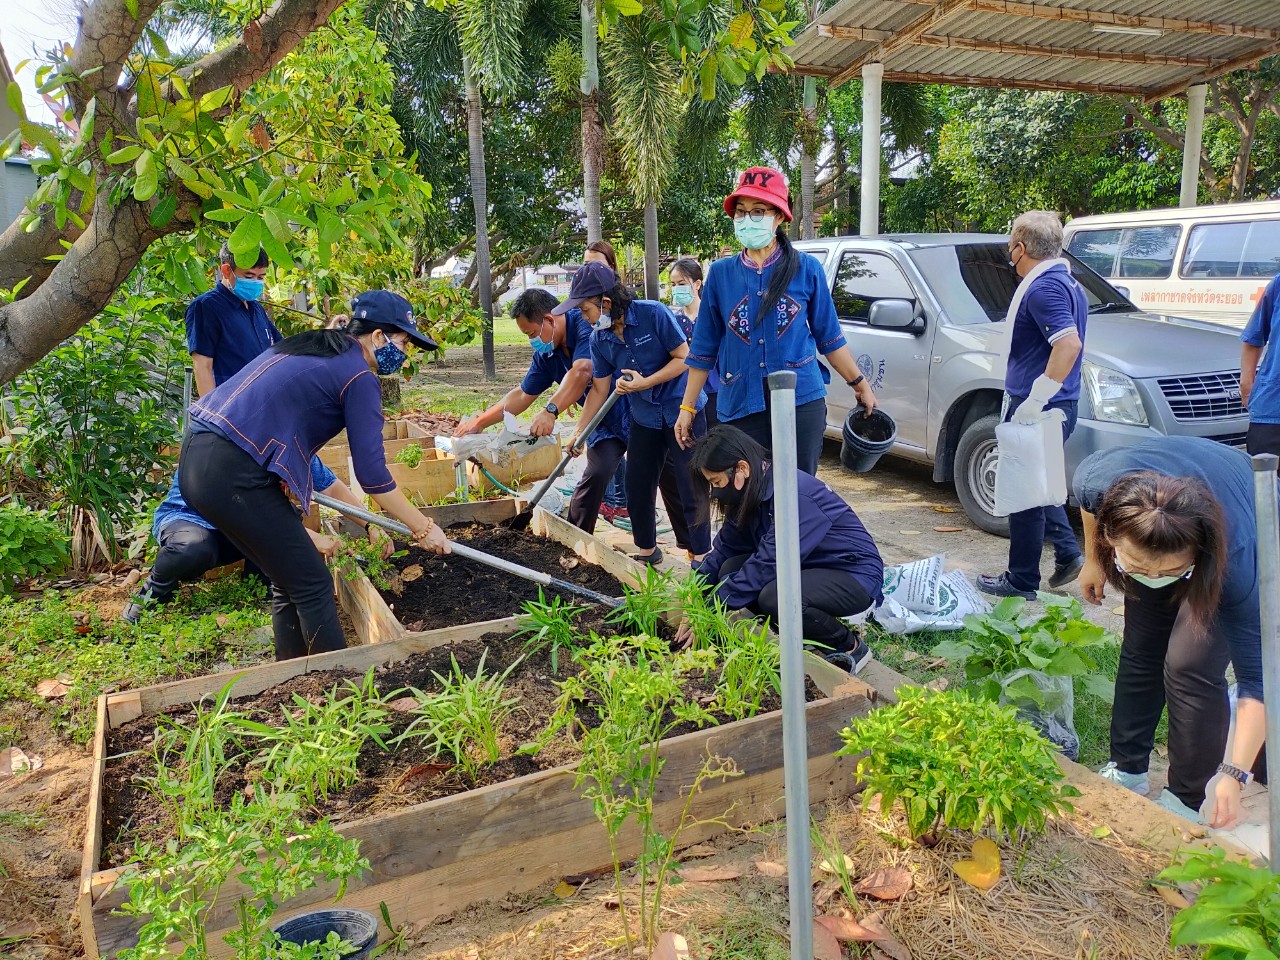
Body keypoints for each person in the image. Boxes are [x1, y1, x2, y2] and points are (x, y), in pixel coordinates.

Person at [179, 290, 450, 661]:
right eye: (402, 342)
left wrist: (371, 523)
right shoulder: (358, 375)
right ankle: (336, 691)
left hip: (199, 456)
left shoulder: (312, 348)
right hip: (232, 472)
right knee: (312, 583)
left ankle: (291, 674)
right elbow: (372, 475)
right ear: (377, 337)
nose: (403, 353)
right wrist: (422, 526)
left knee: (289, 579)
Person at [1075, 437, 1268, 828]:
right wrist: (1094, 561)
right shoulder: (1099, 481)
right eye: (1141, 568)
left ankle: (1187, 793)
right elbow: (1091, 506)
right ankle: (1127, 767)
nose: (1154, 579)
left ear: (1196, 554)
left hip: (1246, 511)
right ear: (1114, 535)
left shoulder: (1236, 558)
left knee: (1189, 666)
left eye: (1169, 572)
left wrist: (1232, 775)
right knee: (1141, 650)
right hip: (1161, 521)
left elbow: (1258, 682)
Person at [676, 166, 877, 476]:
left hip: (800, 403)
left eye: (758, 211)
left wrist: (860, 384)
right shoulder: (720, 274)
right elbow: (703, 348)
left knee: (799, 494)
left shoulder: (806, 269)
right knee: (747, 496)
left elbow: (829, 339)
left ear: (780, 217)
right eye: (741, 213)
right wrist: (687, 407)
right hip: (740, 404)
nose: (747, 220)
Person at [684, 426, 883, 672]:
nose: (715, 490)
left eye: (716, 481)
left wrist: (711, 610)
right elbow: (725, 548)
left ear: (742, 468)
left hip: (852, 573)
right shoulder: (750, 490)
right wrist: (694, 597)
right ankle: (798, 632)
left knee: (775, 597)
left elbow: (768, 562)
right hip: (809, 563)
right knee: (729, 568)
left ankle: (849, 646)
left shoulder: (793, 494)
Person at [561, 262, 710, 565]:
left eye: (586, 310)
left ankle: (702, 555)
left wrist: (646, 382)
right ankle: (646, 550)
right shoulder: (598, 338)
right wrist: (579, 432)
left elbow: (685, 358)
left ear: (605, 303)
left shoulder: (652, 313)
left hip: (682, 409)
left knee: (689, 482)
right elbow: (599, 391)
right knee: (638, 483)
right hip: (644, 417)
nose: (583, 317)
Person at [122, 460, 391, 623]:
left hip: (242, 527)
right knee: (193, 549)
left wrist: (371, 525)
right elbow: (240, 511)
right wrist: (314, 538)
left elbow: (331, 487)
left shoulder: (290, 442)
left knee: (286, 515)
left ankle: (259, 585)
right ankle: (150, 596)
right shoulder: (231, 443)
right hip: (191, 520)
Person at [454, 288, 631, 533]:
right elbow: (523, 394)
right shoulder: (546, 353)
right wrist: (481, 423)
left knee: (660, 474)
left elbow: (582, 370)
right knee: (595, 476)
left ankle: (664, 546)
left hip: (633, 409)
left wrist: (551, 410)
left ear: (549, 320)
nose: (531, 341)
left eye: (531, 333)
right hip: (599, 418)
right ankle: (576, 540)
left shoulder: (585, 324)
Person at [977, 210, 1087, 600]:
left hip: (1040, 404)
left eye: (1011, 248)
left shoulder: (1044, 289)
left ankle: (1021, 580)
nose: (1010, 257)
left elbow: (1067, 344)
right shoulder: (1067, 283)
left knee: (1024, 494)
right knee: (1038, 485)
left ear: (1021, 248)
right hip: (1054, 403)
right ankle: (1068, 554)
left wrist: (1036, 397)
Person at [186, 244, 281, 396]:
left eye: (261, 277)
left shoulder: (256, 309)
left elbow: (281, 348)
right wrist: (212, 414)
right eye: (249, 277)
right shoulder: (206, 307)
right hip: (230, 409)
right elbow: (202, 367)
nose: (255, 282)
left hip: (262, 403)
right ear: (226, 271)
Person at [668, 257, 718, 428]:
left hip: (714, 391)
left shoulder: (713, 315)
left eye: (681, 283)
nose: (676, 289)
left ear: (697, 284)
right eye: (673, 284)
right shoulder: (672, 320)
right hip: (683, 395)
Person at [1241, 271, 1280, 461]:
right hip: (1271, 413)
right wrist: (1247, 386)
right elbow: (1253, 339)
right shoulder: (1278, 285)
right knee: (1265, 487)